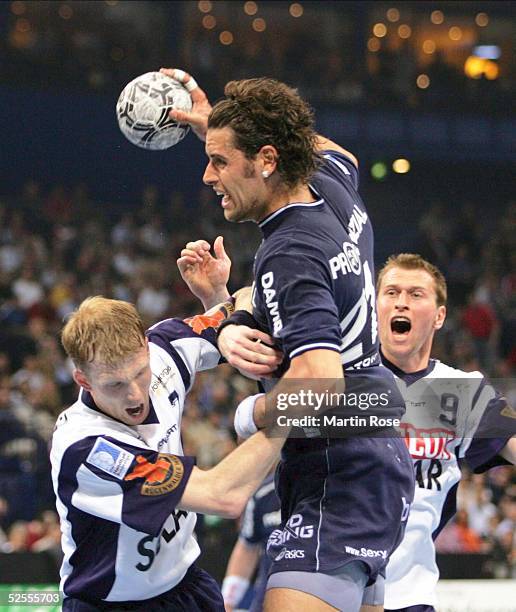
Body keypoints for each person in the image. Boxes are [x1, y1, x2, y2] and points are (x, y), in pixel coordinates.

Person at [163, 67, 415, 612]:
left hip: (338, 469)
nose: (207, 175)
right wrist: (225, 311)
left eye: (220, 160)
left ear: (268, 160)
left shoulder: (289, 249)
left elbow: (320, 381)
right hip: (371, 457)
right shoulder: (330, 185)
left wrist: (250, 415)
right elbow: (325, 146)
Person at [51, 239, 287, 611]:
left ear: (147, 348)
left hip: (188, 585)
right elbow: (222, 496)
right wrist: (295, 406)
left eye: (140, 373)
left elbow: (247, 298)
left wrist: (217, 298)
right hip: (113, 605)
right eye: (114, 385)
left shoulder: (165, 350)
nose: (134, 396)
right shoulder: (85, 448)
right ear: (83, 381)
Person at [374, 253, 516, 612]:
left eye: (416, 294)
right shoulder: (337, 375)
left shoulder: (464, 390)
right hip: (327, 590)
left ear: (439, 316)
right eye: (391, 292)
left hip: (409, 597)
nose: (401, 301)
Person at [221, 469, 281, 612]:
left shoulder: (339, 490)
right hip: (267, 601)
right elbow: (247, 548)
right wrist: (227, 603)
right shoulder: (263, 494)